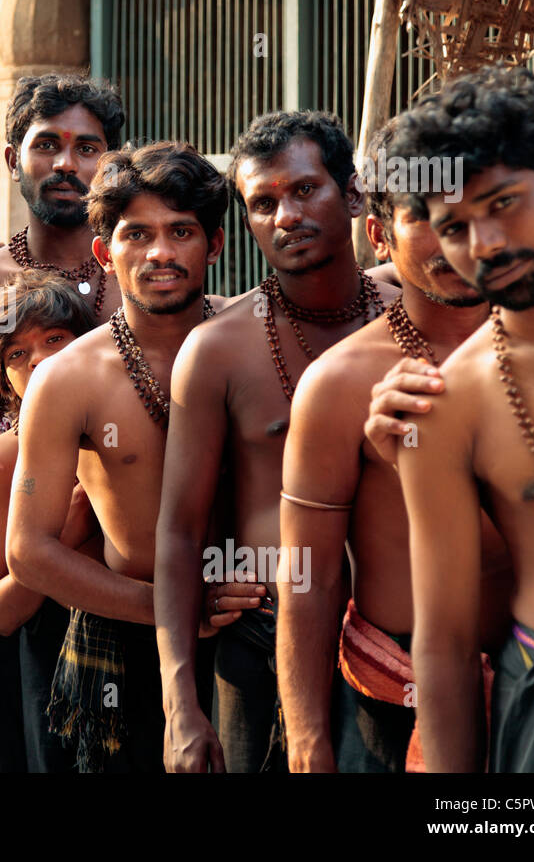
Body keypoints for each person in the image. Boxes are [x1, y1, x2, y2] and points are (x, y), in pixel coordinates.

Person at [370, 65, 534, 773]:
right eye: (454, 227)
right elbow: (441, 643)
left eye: (504, 203)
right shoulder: (445, 405)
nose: (486, 245)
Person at [154, 111, 398, 773]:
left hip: (392, 647)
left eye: (303, 190)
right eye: (263, 203)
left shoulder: (407, 315)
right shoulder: (218, 351)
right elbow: (179, 530)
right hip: (259, 645)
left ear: (352, 195)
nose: (285, 215)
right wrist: (181, 702)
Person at [276, 127, 512, 772]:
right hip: (392, 697)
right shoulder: (342, 384)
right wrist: (307, 741)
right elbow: (310, 576)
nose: (453, 240)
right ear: (380, 234)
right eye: (425, 216)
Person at [0, 73, 125, 769]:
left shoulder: (144, 276)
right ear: (13, 158)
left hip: (136, 576)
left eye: (87, 147)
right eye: (47, 145)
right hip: (21, 585)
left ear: (111, 162)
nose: (67, 164)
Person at [7, 141, 227, 771]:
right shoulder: (68, 378)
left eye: (181, 232)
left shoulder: (248, 344)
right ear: (104, 252)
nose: (160, 253)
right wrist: (167, 607)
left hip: (254, 627)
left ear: (213, 244)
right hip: (125, 637)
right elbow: (28, 551)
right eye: (138, 235)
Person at [0, 270, 97, 772]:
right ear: (3, 379)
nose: (39, 360)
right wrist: (68, 525)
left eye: (54, 339)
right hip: (52, 657)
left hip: (148, 645)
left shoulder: (125, 432)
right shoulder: (3, 461)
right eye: (17, 355)